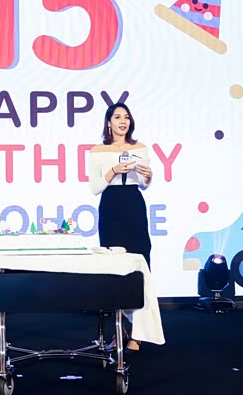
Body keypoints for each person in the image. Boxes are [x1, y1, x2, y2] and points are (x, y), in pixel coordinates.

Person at [88, 103, 153, 351]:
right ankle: (119, 331)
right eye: (117, 117)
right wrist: (113, 170)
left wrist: (148, 176)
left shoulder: (139, 147)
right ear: (109, 122)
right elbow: (95, 188)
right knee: (113, 267)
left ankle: (138, 333)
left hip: (134, 204)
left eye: (126, 117)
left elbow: (144, 184)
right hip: (111, 206)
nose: (123, 121)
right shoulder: (98, 151)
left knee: (139, 263)